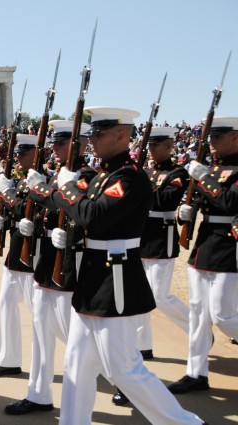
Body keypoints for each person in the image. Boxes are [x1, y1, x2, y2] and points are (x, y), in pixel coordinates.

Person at [38, 107, 205, 425]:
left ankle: (186, 423)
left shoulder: (129, 177)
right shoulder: (104, 175)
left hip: (114, 278)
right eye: (92, 134)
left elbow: (93, 217)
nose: (92, 140)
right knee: (77, 363)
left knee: (122, 368)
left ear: (122, 135)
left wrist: (68, 191)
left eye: (99, 134)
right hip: (93, 278)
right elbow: (81, 212)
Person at [6, 121, 94, 415]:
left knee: (75, 336)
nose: (54, 149)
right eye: (53, 144)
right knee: (41, 331)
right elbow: (46, 205)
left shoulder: (90, 177)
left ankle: (122, 379)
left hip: (70, 262)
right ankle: (39, 393)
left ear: (78, 144)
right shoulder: (58, 175)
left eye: (61, 143)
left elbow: (85, 215)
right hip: (47, 263)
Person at [107, 127, 192, 406]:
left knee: (159, 295)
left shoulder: (178, 173)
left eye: (159, 145)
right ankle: (144, 345)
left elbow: (166, 200)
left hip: (161, 237)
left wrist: (143, 193)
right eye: (151, 145)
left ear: (170, 146)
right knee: (139, 296)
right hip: (142, 236)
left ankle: (195, 328)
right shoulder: (144, 171)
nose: (153, 149)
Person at [169, 117, 238, 395]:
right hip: (205, 243)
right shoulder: (213, 169)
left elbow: (230, 201)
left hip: (228, 247)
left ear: (235, 137)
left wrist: (204, 178)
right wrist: (186, 212)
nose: (211, 144)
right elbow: (202, 200)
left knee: (222, 315)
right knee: (198, 313)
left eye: (216, 138)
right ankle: (196, 372)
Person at [0, 134, 37, 378]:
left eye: (20, 155)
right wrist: (4, 221)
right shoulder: (26, 180)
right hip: (17, 252)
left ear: (34, 155)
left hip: (33, 254)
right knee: (6, 304)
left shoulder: (41, 180)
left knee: (47, 318)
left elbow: (28, 209)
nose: (16, 160)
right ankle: (8, 359)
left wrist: (6, 194)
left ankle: (100, 363)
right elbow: (20, 211)